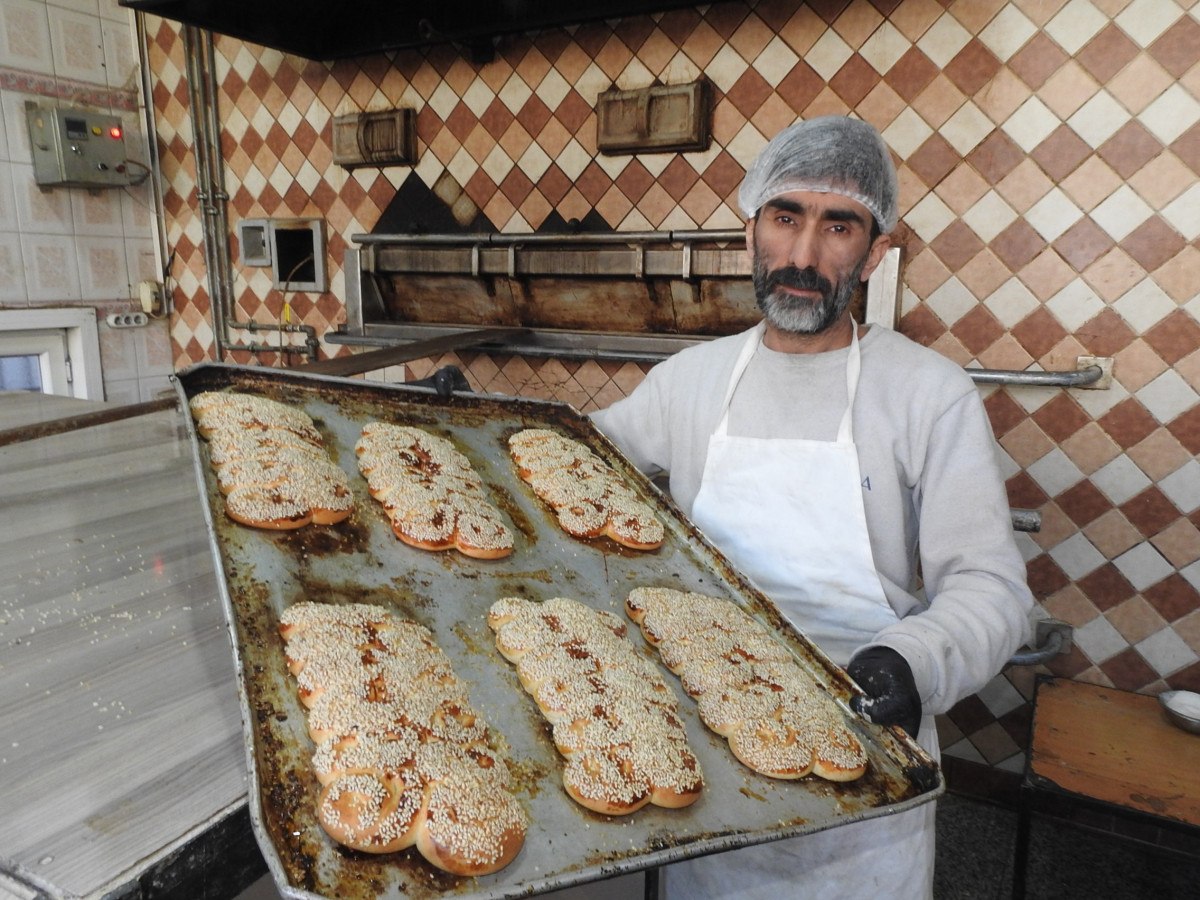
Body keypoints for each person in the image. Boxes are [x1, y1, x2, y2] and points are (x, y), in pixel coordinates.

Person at [590, 115, 1034, 898]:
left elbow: (991, 587)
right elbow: (573, 462)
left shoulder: (928, 394)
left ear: (877, 251)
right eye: (785, 218)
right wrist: (489, 428)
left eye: (838, 226)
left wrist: (913, 662)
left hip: (865, 758)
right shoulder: (692, 380)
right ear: (751, 228)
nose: (802, 256)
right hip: (709, 753)